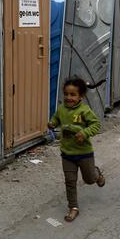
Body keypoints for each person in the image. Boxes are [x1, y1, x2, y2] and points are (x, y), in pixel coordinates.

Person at [48, 78, 105, 222]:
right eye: (66, 94)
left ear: (80, 96)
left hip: (84, 154)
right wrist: (52, 123)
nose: (68, 98)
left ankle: (96, 174)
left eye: (73, 95)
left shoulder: (84, 110)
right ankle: (73, 207)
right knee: (70, 181)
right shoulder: (61, 109)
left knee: (89, 180)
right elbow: (56, 118)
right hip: (67, 154)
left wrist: (85, 133)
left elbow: (96, 124)